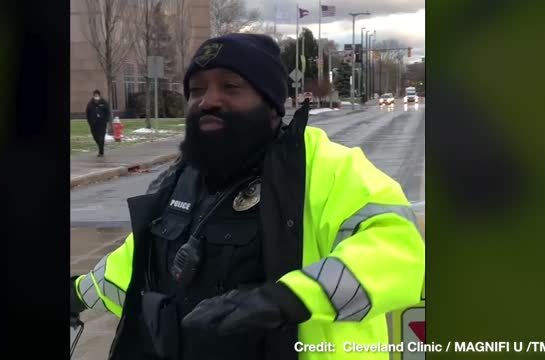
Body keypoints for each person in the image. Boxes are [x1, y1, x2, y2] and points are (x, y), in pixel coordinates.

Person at [70, 33, 424, 360]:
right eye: (196, 90)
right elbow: (141, 258)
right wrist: (79, 292)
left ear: (271, 105)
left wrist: (288, 299)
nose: (208, 101)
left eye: (231, 86)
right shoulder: (182, 179)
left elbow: (396, 249)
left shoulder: (328, 169)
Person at [85, 89, 111, 157]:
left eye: (97, 95)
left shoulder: (104, 102)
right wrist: (89, 121)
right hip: (93, 124)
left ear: (99, 95)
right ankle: (100, 146)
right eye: (95, 95)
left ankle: (101, 152)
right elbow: (87, 113)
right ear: (93, 96)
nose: (96, 96)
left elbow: (107, 112)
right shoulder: (90, 103)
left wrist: (106, 120)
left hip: (102, 123)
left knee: (101, 137)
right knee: (95, 137)